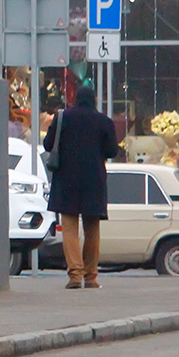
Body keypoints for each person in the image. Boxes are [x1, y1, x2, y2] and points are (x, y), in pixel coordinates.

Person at [43, 85, 119, 289]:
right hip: (93, 180)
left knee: (69, 228)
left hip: (66, 180)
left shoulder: (62, 118)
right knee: (92, 228)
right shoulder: (103, 121)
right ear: (94, 99)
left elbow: (48, 145)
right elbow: (112, 150)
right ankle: (91, 277)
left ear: (75, 99)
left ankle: (75, 275)